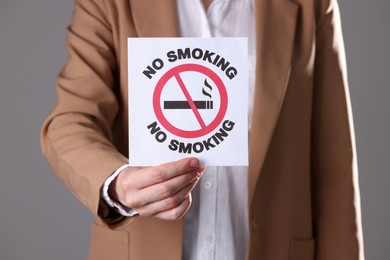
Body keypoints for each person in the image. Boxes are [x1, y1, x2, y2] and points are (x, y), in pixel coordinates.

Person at [41, 0, 364, 259]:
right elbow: (72, 119)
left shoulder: (311, 5)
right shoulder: (109, 3)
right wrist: (118, 183)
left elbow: (332, 159)